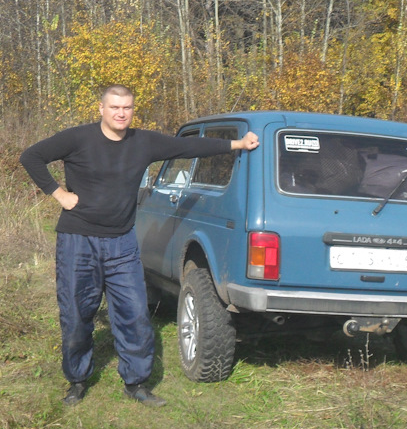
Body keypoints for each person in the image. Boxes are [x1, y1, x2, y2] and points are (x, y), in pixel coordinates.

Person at [20, 85, 259, 407]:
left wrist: (238, 144)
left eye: (127, 108)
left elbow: (187, 148)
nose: (121, 113)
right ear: (101, 109)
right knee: (77, 314)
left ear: (133, 110)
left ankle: (135, 383)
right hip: (78, 241)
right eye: (115, 107)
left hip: (122, 243)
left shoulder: (143, 142)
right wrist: (58, 193)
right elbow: (31, 157)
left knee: (133, 314)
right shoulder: (77, 138)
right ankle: (77, 379)